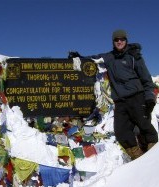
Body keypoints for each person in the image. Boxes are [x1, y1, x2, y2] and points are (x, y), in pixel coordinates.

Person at [68, 29, 158, 160]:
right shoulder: (109, 57)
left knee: (144, 127)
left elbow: (146, 78)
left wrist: (150, 97)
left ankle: (154, 157)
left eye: (122, 39)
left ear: (126, 40)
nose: (119, 41)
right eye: (117, 40)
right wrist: (80, 57)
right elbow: (94, 59)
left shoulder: (134, 56)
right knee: (121, 132)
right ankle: (139, 159)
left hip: (137, 97)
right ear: (113, 42)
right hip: (120, 102)